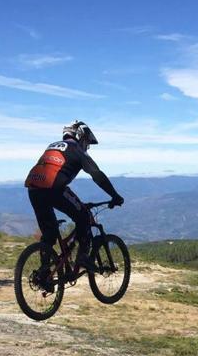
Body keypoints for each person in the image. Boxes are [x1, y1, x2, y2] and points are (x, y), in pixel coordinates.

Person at [24, 120, 124, 292]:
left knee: (49, 235)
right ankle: (83, 258)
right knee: (84, 216)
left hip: (33, 188)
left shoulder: (53, 146)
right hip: (54, 188)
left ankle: (44, 275)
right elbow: (97, 175)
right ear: (80, 136)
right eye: (86, 142)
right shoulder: (76, 149)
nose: (87, 147)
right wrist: (114, 195)